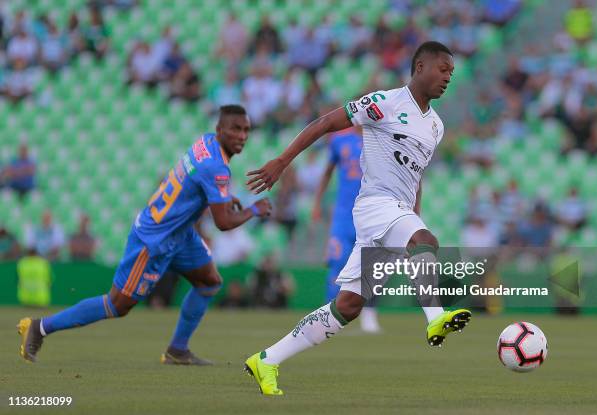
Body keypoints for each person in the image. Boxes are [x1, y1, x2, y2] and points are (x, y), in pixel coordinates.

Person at [244, 41, 471, 395]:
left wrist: (415, 216)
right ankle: (435, 318)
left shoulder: (436, 127)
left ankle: (267, 359)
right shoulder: (384, 103)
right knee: (427, 241)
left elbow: (416, 174)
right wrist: (282, 160)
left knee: (348, 306)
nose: (447, 78)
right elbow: (324, 123)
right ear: (420, 66)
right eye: (443, 70)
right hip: (374, 204)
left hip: (396, 213)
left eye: (452, 74)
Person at [17, 105, 272, 365]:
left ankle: (177, 350)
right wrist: (254, 209)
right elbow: (224, 222)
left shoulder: (206, 142)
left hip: (181, 234)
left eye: (246, 130)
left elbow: (196, 183)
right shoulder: (217, 168)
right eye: (235, 129)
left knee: (209, 282)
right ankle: (40, 327)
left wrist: (222, 197)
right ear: (220, 130)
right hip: (155, 240)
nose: (242, 136)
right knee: (117, 305)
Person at [311, 126, 381, 333]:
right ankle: (327, 313)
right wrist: (317, 204)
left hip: (372, 213)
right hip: (343, 213)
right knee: (337, 261)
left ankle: (369, 314)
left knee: (372, 265)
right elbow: (327, 172)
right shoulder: (339, 140)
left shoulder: (382, 139)